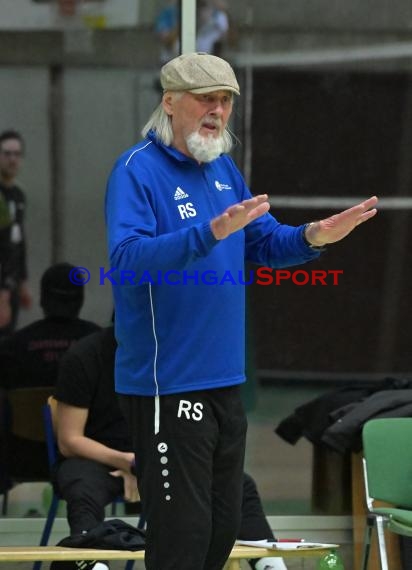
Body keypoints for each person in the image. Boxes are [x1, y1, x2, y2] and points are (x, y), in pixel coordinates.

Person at [104, 51, 378, 570]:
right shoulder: (136, 171)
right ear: (169, 101)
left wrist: (315, 236)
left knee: (222, 528)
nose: (218, 110)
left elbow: (264, 242)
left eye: (226, 100)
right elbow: (126, 261)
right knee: (181, 535)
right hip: (169, 382)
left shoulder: (222, 167)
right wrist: (207, 234)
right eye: (206, 98)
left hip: (224, 379)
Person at [52, 325, 288, 570]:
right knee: (80, 483)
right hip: (103, 461)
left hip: (160, 457)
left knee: (238, 483)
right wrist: (127, 462)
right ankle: (90, 559)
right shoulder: (85, 356)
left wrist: (145, 463)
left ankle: (269, 562)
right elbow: (69, 441)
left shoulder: (174, 358)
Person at [0, 262, 100, 482]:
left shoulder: (12, 348)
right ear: (80, 299)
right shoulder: (102, 346)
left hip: (24, 458)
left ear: (43, 299)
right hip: (87, 458)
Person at [0, 129, 32, 335]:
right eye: (7, 153)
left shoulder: (18, 195)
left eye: (17, 154)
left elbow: (17, 241)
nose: (12, 159)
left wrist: (22, 281)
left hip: (11, 284)